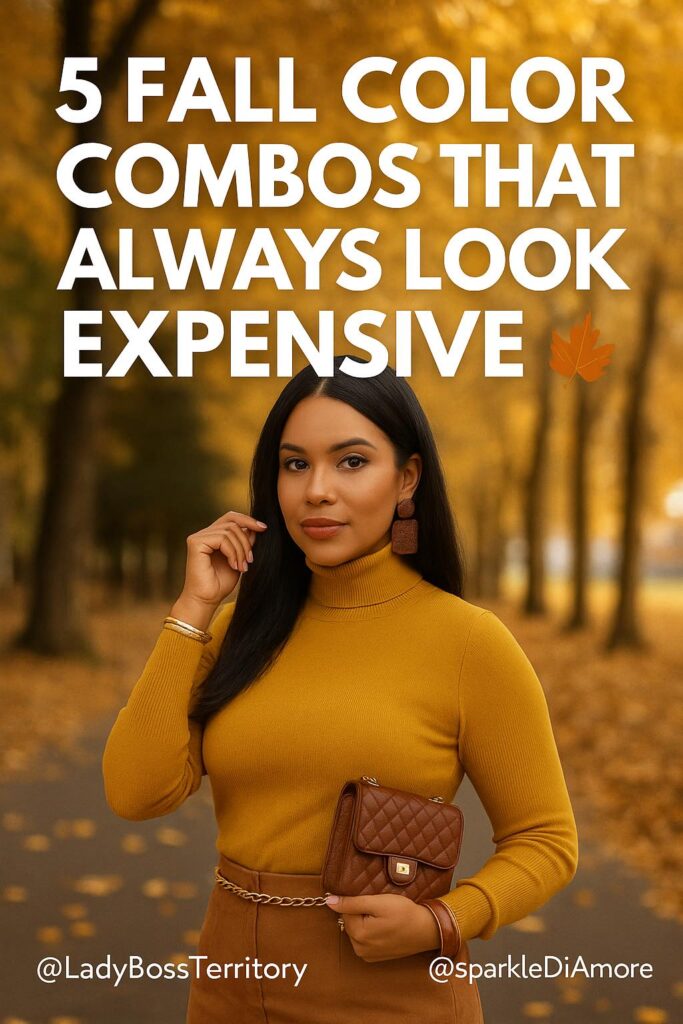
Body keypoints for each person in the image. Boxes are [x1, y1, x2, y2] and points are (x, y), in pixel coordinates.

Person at [102, 357, 579, 1023]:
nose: (315, 490)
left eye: (350, 462)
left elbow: (545, 839)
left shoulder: (469, 642)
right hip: (229, 990)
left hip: (390, 993)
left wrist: (441, 921)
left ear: (406, 477)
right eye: (295, 464)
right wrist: (191, 611)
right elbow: (134, 791)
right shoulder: (241, 631)